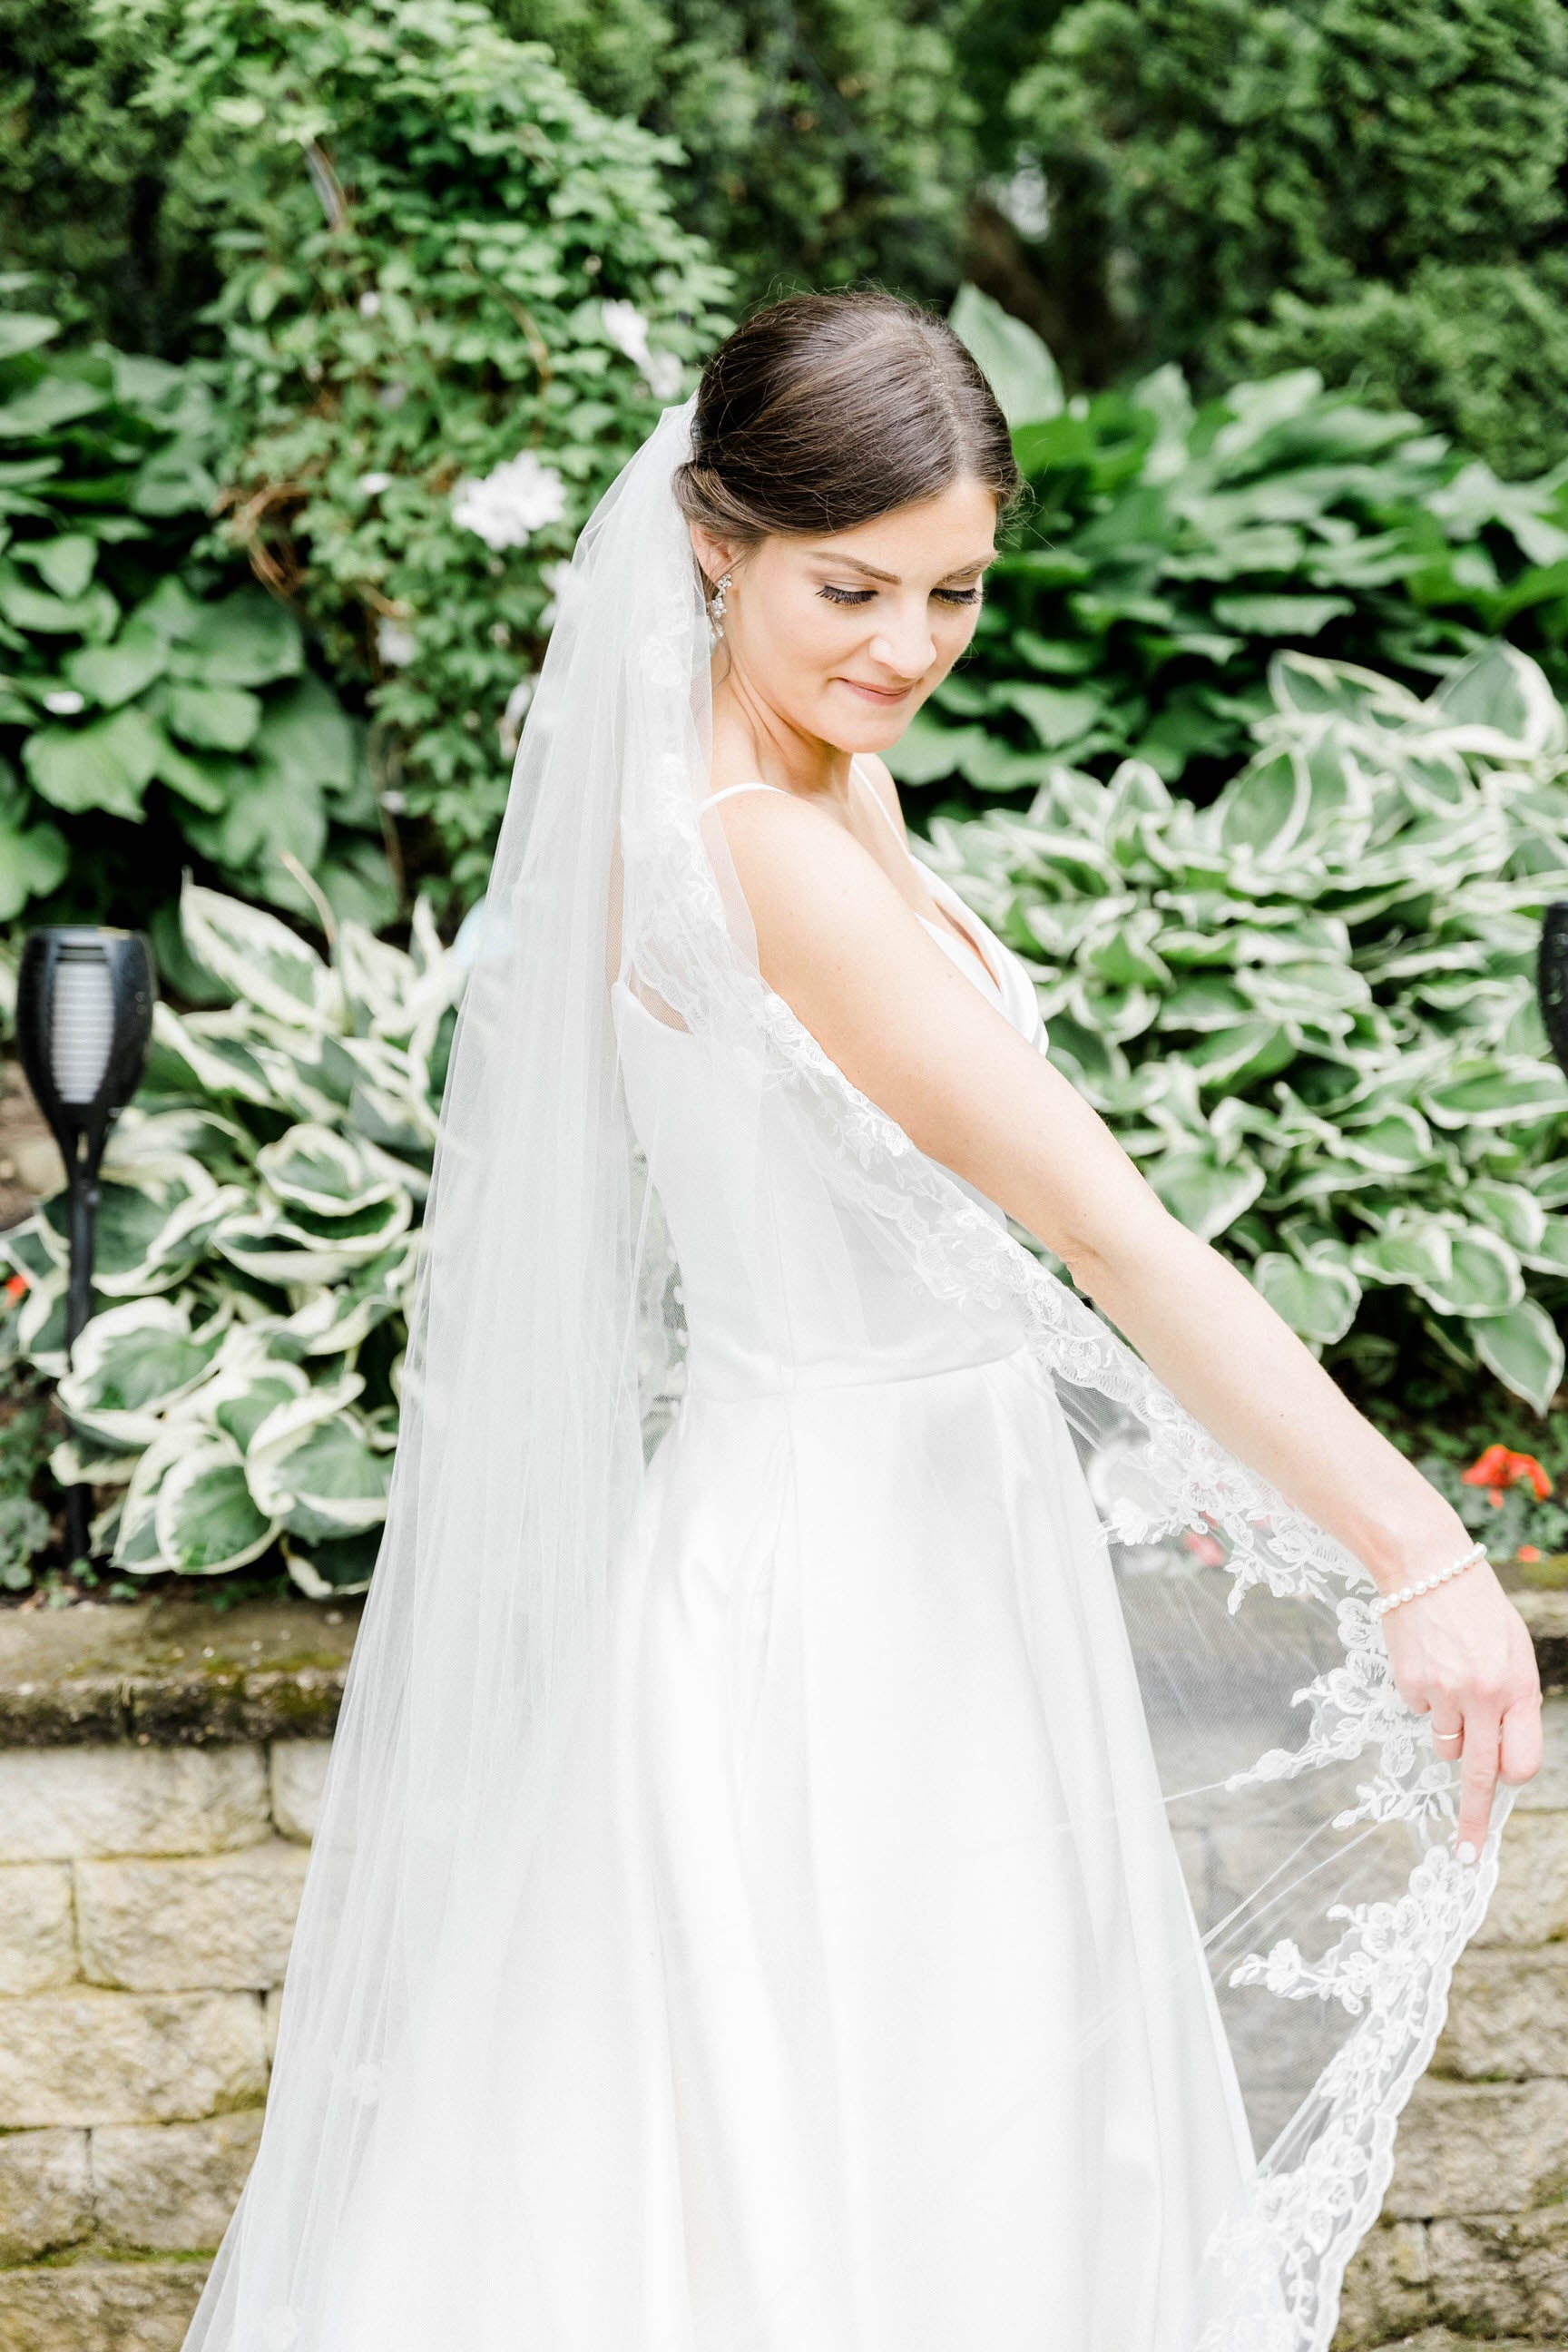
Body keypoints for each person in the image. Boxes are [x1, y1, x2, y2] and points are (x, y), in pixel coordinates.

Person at [182, 291, 1543, 2352]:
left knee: (949, 2114)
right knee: (868, 2128)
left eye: (954, 590)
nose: (906, 647)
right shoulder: (760, 853)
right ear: (714, 541)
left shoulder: (815, 779)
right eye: (853, 587)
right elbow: (1119, 1234)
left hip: (921, 1521)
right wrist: (1417, 1548)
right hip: (841, 1583)